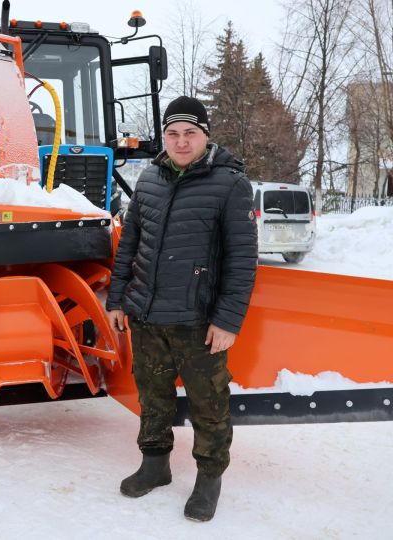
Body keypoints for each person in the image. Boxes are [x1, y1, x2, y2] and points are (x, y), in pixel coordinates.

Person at [106, 96, 258, 522]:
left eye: (190, 133)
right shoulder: (150, 178)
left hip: (199, 321)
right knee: (152, 397)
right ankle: (155, 464)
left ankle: (209, 478)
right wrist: (118, 298)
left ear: (205, 135)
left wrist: (227, 320)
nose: (181, 141)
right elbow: (130, 244)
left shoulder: (229, 184)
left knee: (209, 403)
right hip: (148, 316)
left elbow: (242, 260)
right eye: (173, 133)